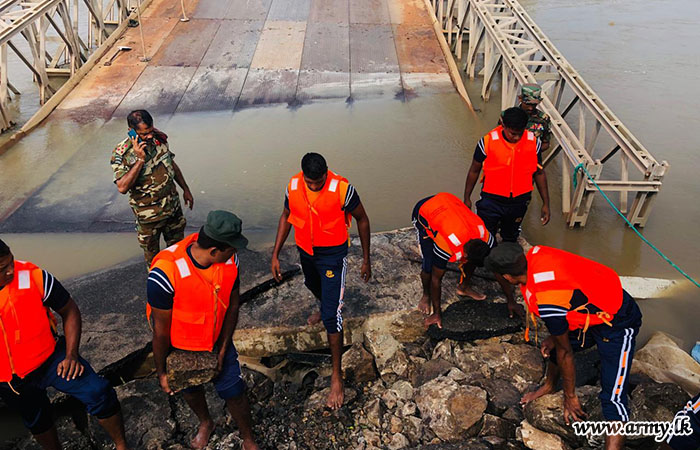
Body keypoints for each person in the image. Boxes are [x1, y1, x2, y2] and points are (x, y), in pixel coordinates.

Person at [485, 243, 643, 450]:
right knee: (553, 346)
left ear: (508, 277)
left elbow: (566, 351)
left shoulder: (548, 300)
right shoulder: (536, 254)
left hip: (618, 320)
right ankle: (549, 385)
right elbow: (568, 298)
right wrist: (556, 337)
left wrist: (570, 397)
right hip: (588, 313)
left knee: (613, 398)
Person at [0, 239, 129, 450]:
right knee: (37, 419)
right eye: (2, 268)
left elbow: (69, 311)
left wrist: (71, 355)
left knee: (98, 392)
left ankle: (122, 446)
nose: (11, 270)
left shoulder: (34, 277)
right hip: (11, 379)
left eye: (11, 262)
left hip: (52, 359)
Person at [147, 211, 258, 450]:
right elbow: (160, 332)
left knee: (234, 390)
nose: (235, 253)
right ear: (214, 251)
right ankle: (206, 422)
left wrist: (223, 350)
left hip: (216, 338)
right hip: (180, 345)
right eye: (231, 249)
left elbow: (233, 305)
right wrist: (162, 372)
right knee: (190, 389)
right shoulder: (164, 273)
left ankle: (248, 438)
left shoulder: (230, 261)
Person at [270, 153, 371, 410]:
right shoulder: (293, 185)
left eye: (319, 181)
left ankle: (337, 376)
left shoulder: (343, 190)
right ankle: (324, 303)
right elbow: (286, 216)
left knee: (331, 316)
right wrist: (275, 254)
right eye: (310, 182)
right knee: (312, 285)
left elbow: (362, 219)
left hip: (332, 256)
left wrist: (366, 259)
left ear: (326, 172)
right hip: (307, 251)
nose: (314, 186)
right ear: (303, 175)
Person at [464, 106, 550, 315]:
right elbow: (474, 169)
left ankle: (509, 279)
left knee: (511, 241)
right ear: (503, 125)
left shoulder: (534, 142)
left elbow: (539, 173)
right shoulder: (487, 142)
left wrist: (546, 203)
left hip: (519, 201)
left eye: (519, 133)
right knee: (482, 242)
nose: (516, 137)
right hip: (491, 201)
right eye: (512, 133)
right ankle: (465, 283)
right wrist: (467, 197)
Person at [111, 109, 194, 265]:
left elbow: (171, 164)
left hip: (172, 209)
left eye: (150, 131)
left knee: (178, 254)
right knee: (154, 261)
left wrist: (186, 189)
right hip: (149, 218)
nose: (149, 136)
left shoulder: (158, 139)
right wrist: (140, 160)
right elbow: (122, 187)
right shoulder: (122, 153)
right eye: (144, 134)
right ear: (131, 131)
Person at [412, 192, 500, 328]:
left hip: (449, 203)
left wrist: (511, 300)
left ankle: (464, 287)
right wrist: (437, 313)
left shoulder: (486, 237)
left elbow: (497, 264)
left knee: (473, 260)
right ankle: (426, 295)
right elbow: (436, 279)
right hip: (425, 210)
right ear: (465, 255)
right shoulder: (446, 246)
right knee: (428, 266)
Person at [518, 83, 552, 152]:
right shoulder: (508, 116)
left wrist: (533, 153)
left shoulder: (543, 119)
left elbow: (546, 143)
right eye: (528, 104)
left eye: (534, 104)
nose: (530, 108)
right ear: (520, 99)